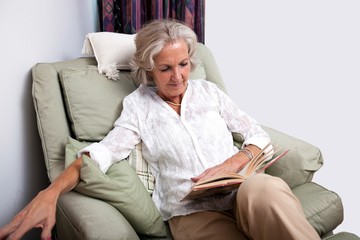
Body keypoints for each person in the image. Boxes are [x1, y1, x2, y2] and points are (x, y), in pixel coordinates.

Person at [0, 19, 320, 240]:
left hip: (242, 193)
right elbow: (103, 153)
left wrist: (233, 163)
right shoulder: (138, 107)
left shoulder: (208, 92)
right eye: (165, 68)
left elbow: (257, 134)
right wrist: (49, 193)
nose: (178, 77)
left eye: (183, 64)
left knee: (263, 189)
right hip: (191, 213)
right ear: (147, 70)